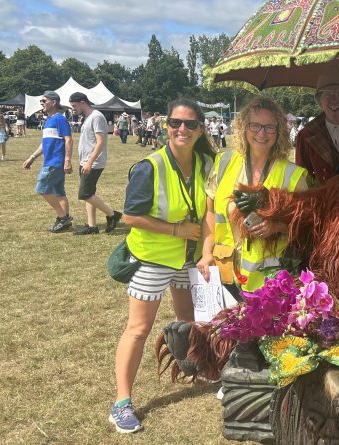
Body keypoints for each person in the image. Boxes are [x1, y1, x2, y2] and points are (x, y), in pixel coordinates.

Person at [109, 98, 216, 434]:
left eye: (189, 124)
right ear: (166, 126)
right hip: (153, 258)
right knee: (138, 329)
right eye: (174, 123)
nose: (181, 129)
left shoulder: (206, 163)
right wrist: (175, 229)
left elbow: (212, 208)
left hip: (189, 258)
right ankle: (122, 404)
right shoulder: (149, 166)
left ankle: (194, 366)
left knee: (189, 320)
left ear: (200, 129)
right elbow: (129, 216)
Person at [196, 96, 309, 295]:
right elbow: (211, 213)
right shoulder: (224, 162)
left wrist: (276, 226)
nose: (261, 133)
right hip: (225, 270)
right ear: (243, 127)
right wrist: (206, 253)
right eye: (254, 125)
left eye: (269, 127)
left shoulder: (293, 175)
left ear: (279, 131)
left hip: (269, 279)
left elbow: (306, 225)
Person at [68, 92, 123, 235]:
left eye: (74, 106)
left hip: (93, 162)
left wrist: (89, 162)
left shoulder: (96, 116)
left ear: (82, 102)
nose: (73, 109)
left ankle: (112, 215)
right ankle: (92, 226)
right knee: (90, 193)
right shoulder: (88, 117)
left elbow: (101, 142)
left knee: (85, 194)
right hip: (86, 161)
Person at [22, 91, 74, 232]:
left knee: (42, 189)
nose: (42, 104)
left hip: (55, 162)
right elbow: (44, 144)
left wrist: (67, 160)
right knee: (59, 193)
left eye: (44, 101)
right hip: (50, 161)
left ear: (54, 102)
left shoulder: (60, 119)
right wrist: (32, 157)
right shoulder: (48, 121)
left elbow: (68, 140)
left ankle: (63, 218)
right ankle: (64, 219)